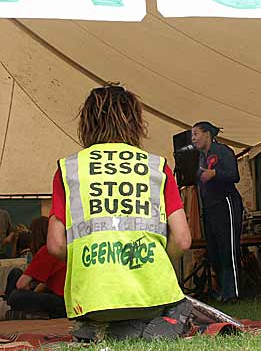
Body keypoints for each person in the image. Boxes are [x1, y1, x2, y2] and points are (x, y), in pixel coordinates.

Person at [47, 83, 192, 341]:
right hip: (151, 297)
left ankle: (104, 329)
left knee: (99, 314)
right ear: (136, 123)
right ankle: (145, 325)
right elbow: (182, 239)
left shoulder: (69, 169)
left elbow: (56, 245)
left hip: (92, 301)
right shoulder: (157, 167)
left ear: (87, 123)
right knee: (181, 305)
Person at [191, 121, 243, 303]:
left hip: (226, 203)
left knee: (228, 247)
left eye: (196, 134)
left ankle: (233, 293)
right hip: (210, 208)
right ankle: (223, 290)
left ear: (207, 134)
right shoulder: (200, 158)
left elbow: (234, 175)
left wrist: (215, 174)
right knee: (214, 252)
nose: (193, 138)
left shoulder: (223, 151)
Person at [6, 216, 66, 319]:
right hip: (65, 298)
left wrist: (29, 291)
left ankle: (12, 308)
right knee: (16, 273)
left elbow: (21, 284)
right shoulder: (63, 248)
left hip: (59, 302)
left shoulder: (46, 251)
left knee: (15, 296)